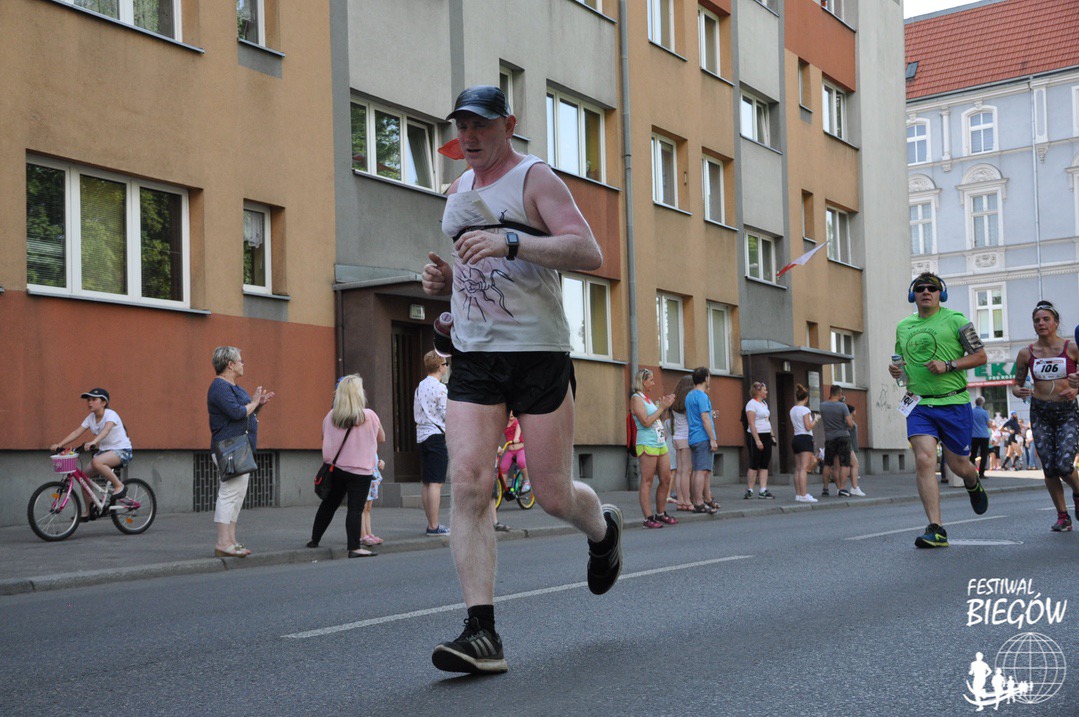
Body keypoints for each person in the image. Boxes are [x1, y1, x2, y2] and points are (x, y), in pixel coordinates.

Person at [422, 85, 622, 674]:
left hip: (538, 353)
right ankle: (481, 632)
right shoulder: (457, 189)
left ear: (508, 125)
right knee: (468, 483)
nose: (470, 136)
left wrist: (512, 240)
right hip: (475, 356)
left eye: (481, 125)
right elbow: (477, 273)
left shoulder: (535, 179)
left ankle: (603, 530)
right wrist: (446, 287)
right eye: (462, 126)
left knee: (552, 493)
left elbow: (588, 252)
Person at [888, 272, 988, 548]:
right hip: (919, 404)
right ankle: (936, 528)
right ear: (913, 295)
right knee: (924, 460)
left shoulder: (956, 320)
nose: (926, 292)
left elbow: (980, 356)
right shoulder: (904, 326)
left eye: (931, 288)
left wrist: (949, 365)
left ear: (940, 294)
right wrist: (896, 371)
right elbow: (901, 365)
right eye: (920, 288)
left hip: (953, 402)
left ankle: (972, 480)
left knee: (958, 465)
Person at [1011, 300, 1079, 532]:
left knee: (1064, 465)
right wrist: (1018, 390)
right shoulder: (1026, 353)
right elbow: (1016, 383)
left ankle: (1078, 492)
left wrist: (1076, 389)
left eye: (1046, 319)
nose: (1041, 323)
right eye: (1037, 320)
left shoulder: (1071, 348)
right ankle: (1063, 516)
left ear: (1056, 323)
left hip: (1067, 412)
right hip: (1040, 412)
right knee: (1049, 467)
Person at [207, 346, 273, 558]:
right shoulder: (219, 387)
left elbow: (245, 412)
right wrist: (253, 402)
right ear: (230, 365)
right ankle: (222, 542)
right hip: (229, 448)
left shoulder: (232, 387)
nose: (243, 364)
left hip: (240, 448)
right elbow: (237, 413)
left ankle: (231, 540)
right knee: (229, 493)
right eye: (240, 360)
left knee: (238, 494)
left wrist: (258, 405)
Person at [307, 375, 383, 557]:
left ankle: (314, 539)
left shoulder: (331, 416)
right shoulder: (369, 415)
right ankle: (354, 547)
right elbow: (382, 437)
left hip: (337, 469)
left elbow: (324, 437)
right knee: (355, 509)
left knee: (329, 505)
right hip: (361, 471)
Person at [50, 387, 133, 518]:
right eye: (88, 400)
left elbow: (106, 430)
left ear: (103, 403)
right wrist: (60, 445)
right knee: (83, 477)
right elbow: (76, 432)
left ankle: (119, 486)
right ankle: (89, 511)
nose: (89, 402)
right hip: (105, 452)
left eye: (94, 399)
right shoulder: (91, 418)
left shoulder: (111, 414)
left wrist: (94, 441)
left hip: (122, 450)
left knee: (96, 462)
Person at [631, 369, 677, 528]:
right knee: (648, 480)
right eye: (651, 380)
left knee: (666, 478)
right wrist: (661, 408)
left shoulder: (648, 399)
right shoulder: (636, 398)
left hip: (659, 442)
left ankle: (661, 513)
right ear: (643, 382)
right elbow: (645, 422)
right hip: (647, 442)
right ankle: (648, 517)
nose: (653, 383)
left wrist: (665, 407)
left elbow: (657, 420)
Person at [414, 350, 450, 536]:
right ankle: (434, 526)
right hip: (437, 436)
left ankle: (430, 523)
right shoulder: (440, 388)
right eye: (445, 364)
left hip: (422, 435)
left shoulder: (419, 387)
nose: (446, 367)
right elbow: (446, 414)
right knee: (436, 482)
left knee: (427, 482)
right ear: (440, 367)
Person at [685, 367, 719, 513]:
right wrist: (712, 438)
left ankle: (697, 500)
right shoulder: (702, 396)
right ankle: (699, 502)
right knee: (702, 471)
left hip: (693, 436)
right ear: (705, 378)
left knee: (696, 470)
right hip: (703, 436)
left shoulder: (689, 395)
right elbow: (705, 418)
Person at [819, 385, 854, 497]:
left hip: (829, 438)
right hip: (842, 436)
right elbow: (850, 424)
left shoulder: (822, 406)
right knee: (845, 464)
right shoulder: (842, 406)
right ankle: (842, 489)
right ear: (839, 394)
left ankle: (825, 489)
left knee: (828, 464)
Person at [743, 382, 776, 499]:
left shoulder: (764, 404)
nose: (766, 392)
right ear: (758, 391)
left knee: (764, 463)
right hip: (755, 436)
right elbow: (751, 423)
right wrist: (757, 440)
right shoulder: (751, 404)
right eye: (764, 390)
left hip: (766, 435)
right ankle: (750, 490)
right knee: (754, 463)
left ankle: (763, 489)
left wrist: (772, 435)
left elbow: (767, 420)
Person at [670, 376, 695, 511]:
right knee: (686, 471)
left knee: (679, 471)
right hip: (686, 437)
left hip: (677, 436)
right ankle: (687, 500)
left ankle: (680, 501)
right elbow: (691, 420)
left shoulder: (676, 400)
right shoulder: (687, 400)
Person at [789, 384, 818, 503]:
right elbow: (808, 426)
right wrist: (815, 420)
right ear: (806, 398)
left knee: (798, 468)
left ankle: (798, 494)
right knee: (804, 468)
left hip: (796, 438)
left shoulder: (793, 409)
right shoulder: (805, 410)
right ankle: (804, 494)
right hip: (805, 438)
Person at [361, 455, 385, 547]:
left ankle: (369, 534)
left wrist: (380, 461)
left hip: (373, 477)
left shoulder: (373, 447)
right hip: (365, 475)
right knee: (362, 508)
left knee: (368, 508)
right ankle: (363, 535)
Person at [969, 396, 992, 481]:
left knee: (973, 454)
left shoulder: (971, 411)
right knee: (984, 454)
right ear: (982, 403)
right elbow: (989, 425)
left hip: (974, 436)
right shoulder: (984, 412)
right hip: (984, 436)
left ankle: (971, 472)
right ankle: (981, 473)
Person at [846, 404, 866, 496]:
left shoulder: (848, 419)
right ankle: (854, 487)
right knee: (854, 464)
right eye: (855, 410)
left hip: (850, 444)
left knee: (849, 465)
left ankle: (842, 488)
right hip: (848, 444)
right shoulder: (848, 419)